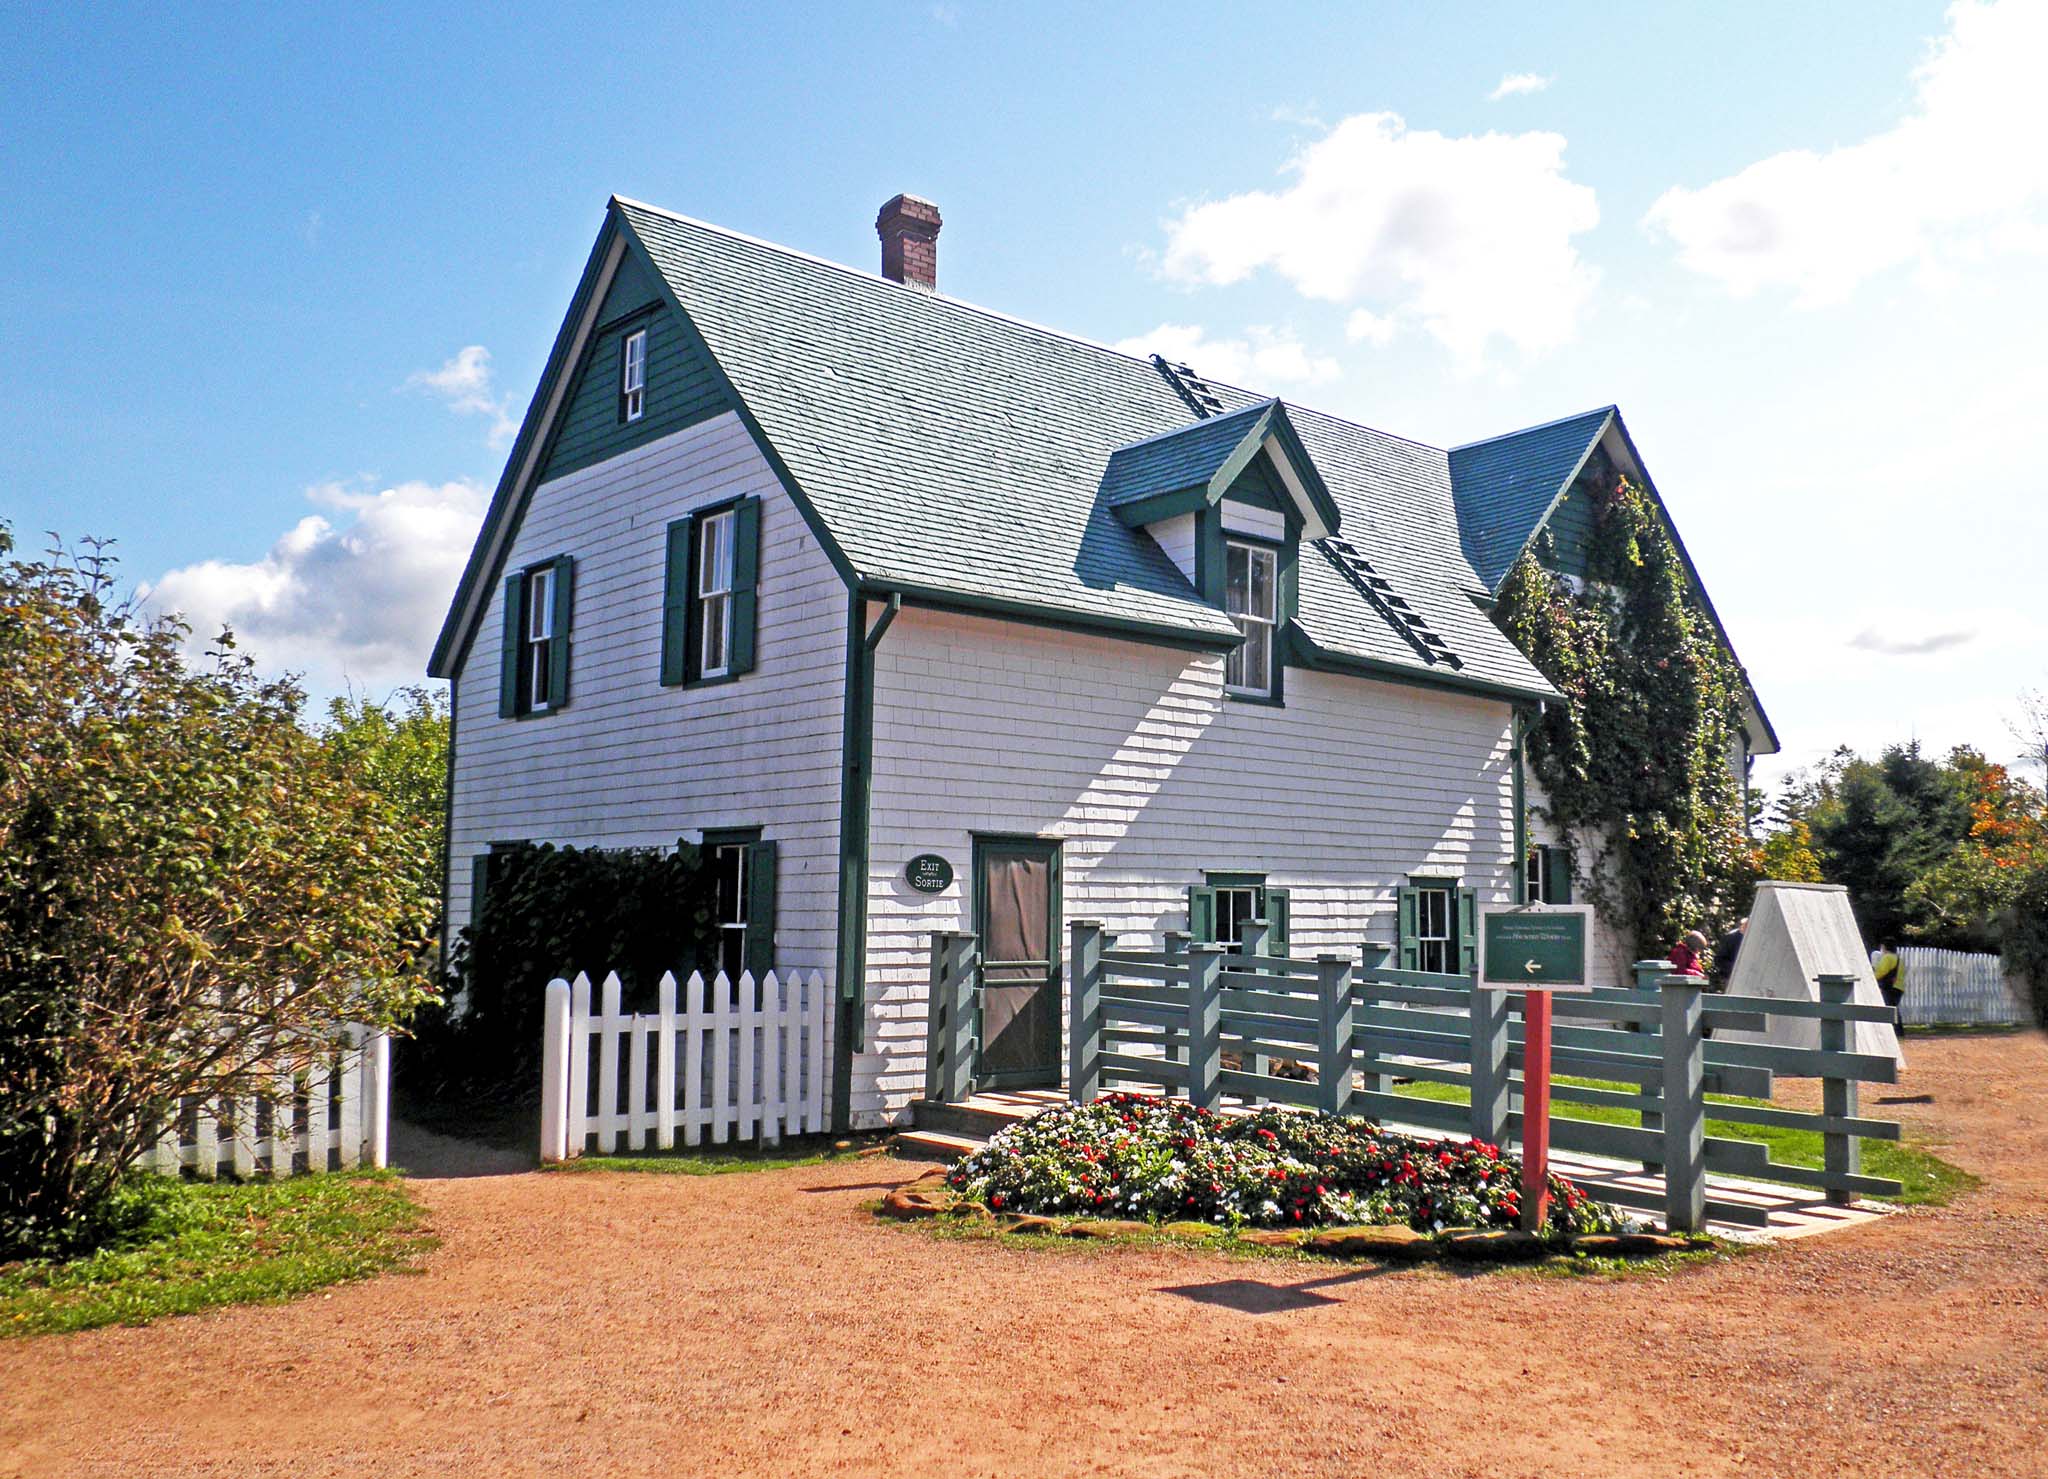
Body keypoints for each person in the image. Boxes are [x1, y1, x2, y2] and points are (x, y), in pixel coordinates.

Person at [1872, 944, 1905, 1032]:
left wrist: (1872, 978)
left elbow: (1881, 971)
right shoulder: (1898, 959)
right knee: (1894, 1008)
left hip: (1889, 986)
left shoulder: (1887, 957)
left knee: (1890, 1009)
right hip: (1899, 986)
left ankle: (1896, 1030)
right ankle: (1898, 1029)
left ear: (1885, 947)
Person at [1714, 917, 1748, 991]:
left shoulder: (1752, 937)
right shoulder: (1731, 937)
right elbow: (1719, 959)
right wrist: (1736, 968)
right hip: (1730, 977)